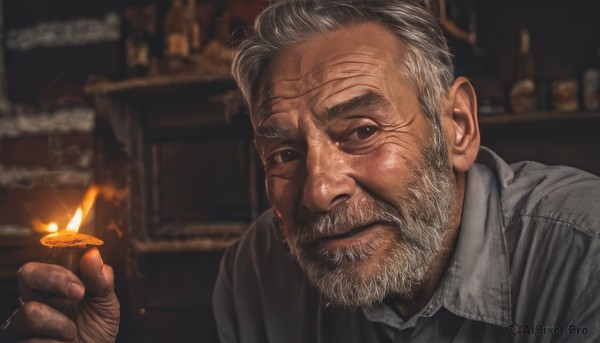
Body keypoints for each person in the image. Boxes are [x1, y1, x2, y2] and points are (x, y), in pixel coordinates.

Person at [1, 0, 599, 342]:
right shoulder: (257, 273)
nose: (317, 189)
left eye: (362, 132)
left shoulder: (583, 256)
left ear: (459, 128)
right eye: (284, 153)